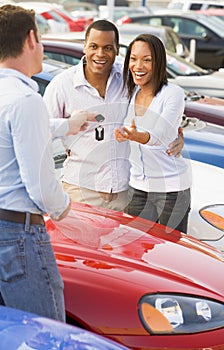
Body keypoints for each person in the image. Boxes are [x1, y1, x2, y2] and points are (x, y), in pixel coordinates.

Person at [0, 4, 96, 321]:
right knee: (47, 332)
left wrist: (66, 125)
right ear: (30, 38)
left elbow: (12, 136)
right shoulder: (25, 99)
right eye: (40, 37)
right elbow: (41, 187)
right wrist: (71, 218)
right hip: (18, 235)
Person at [43, 20, 184, 212]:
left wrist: (177, 135)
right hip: (80, 188)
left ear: (117, 50)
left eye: (108, 47)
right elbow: (42, 133)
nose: (100, 54)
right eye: (94, 46)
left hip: (126, 192)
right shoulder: (61, 86)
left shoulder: (128, 79)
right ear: (84, 46)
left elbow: (159, 107)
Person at [114, 34, 191, 233]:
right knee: (137, 252)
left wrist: (133, 135)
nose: (138, 66)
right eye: (133, 58)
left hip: (171, 191)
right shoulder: (131, 92)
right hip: (137, 188)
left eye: (147, 60)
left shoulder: (172, 93)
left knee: (171, 255)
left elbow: (161, 136)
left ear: (159, 62)